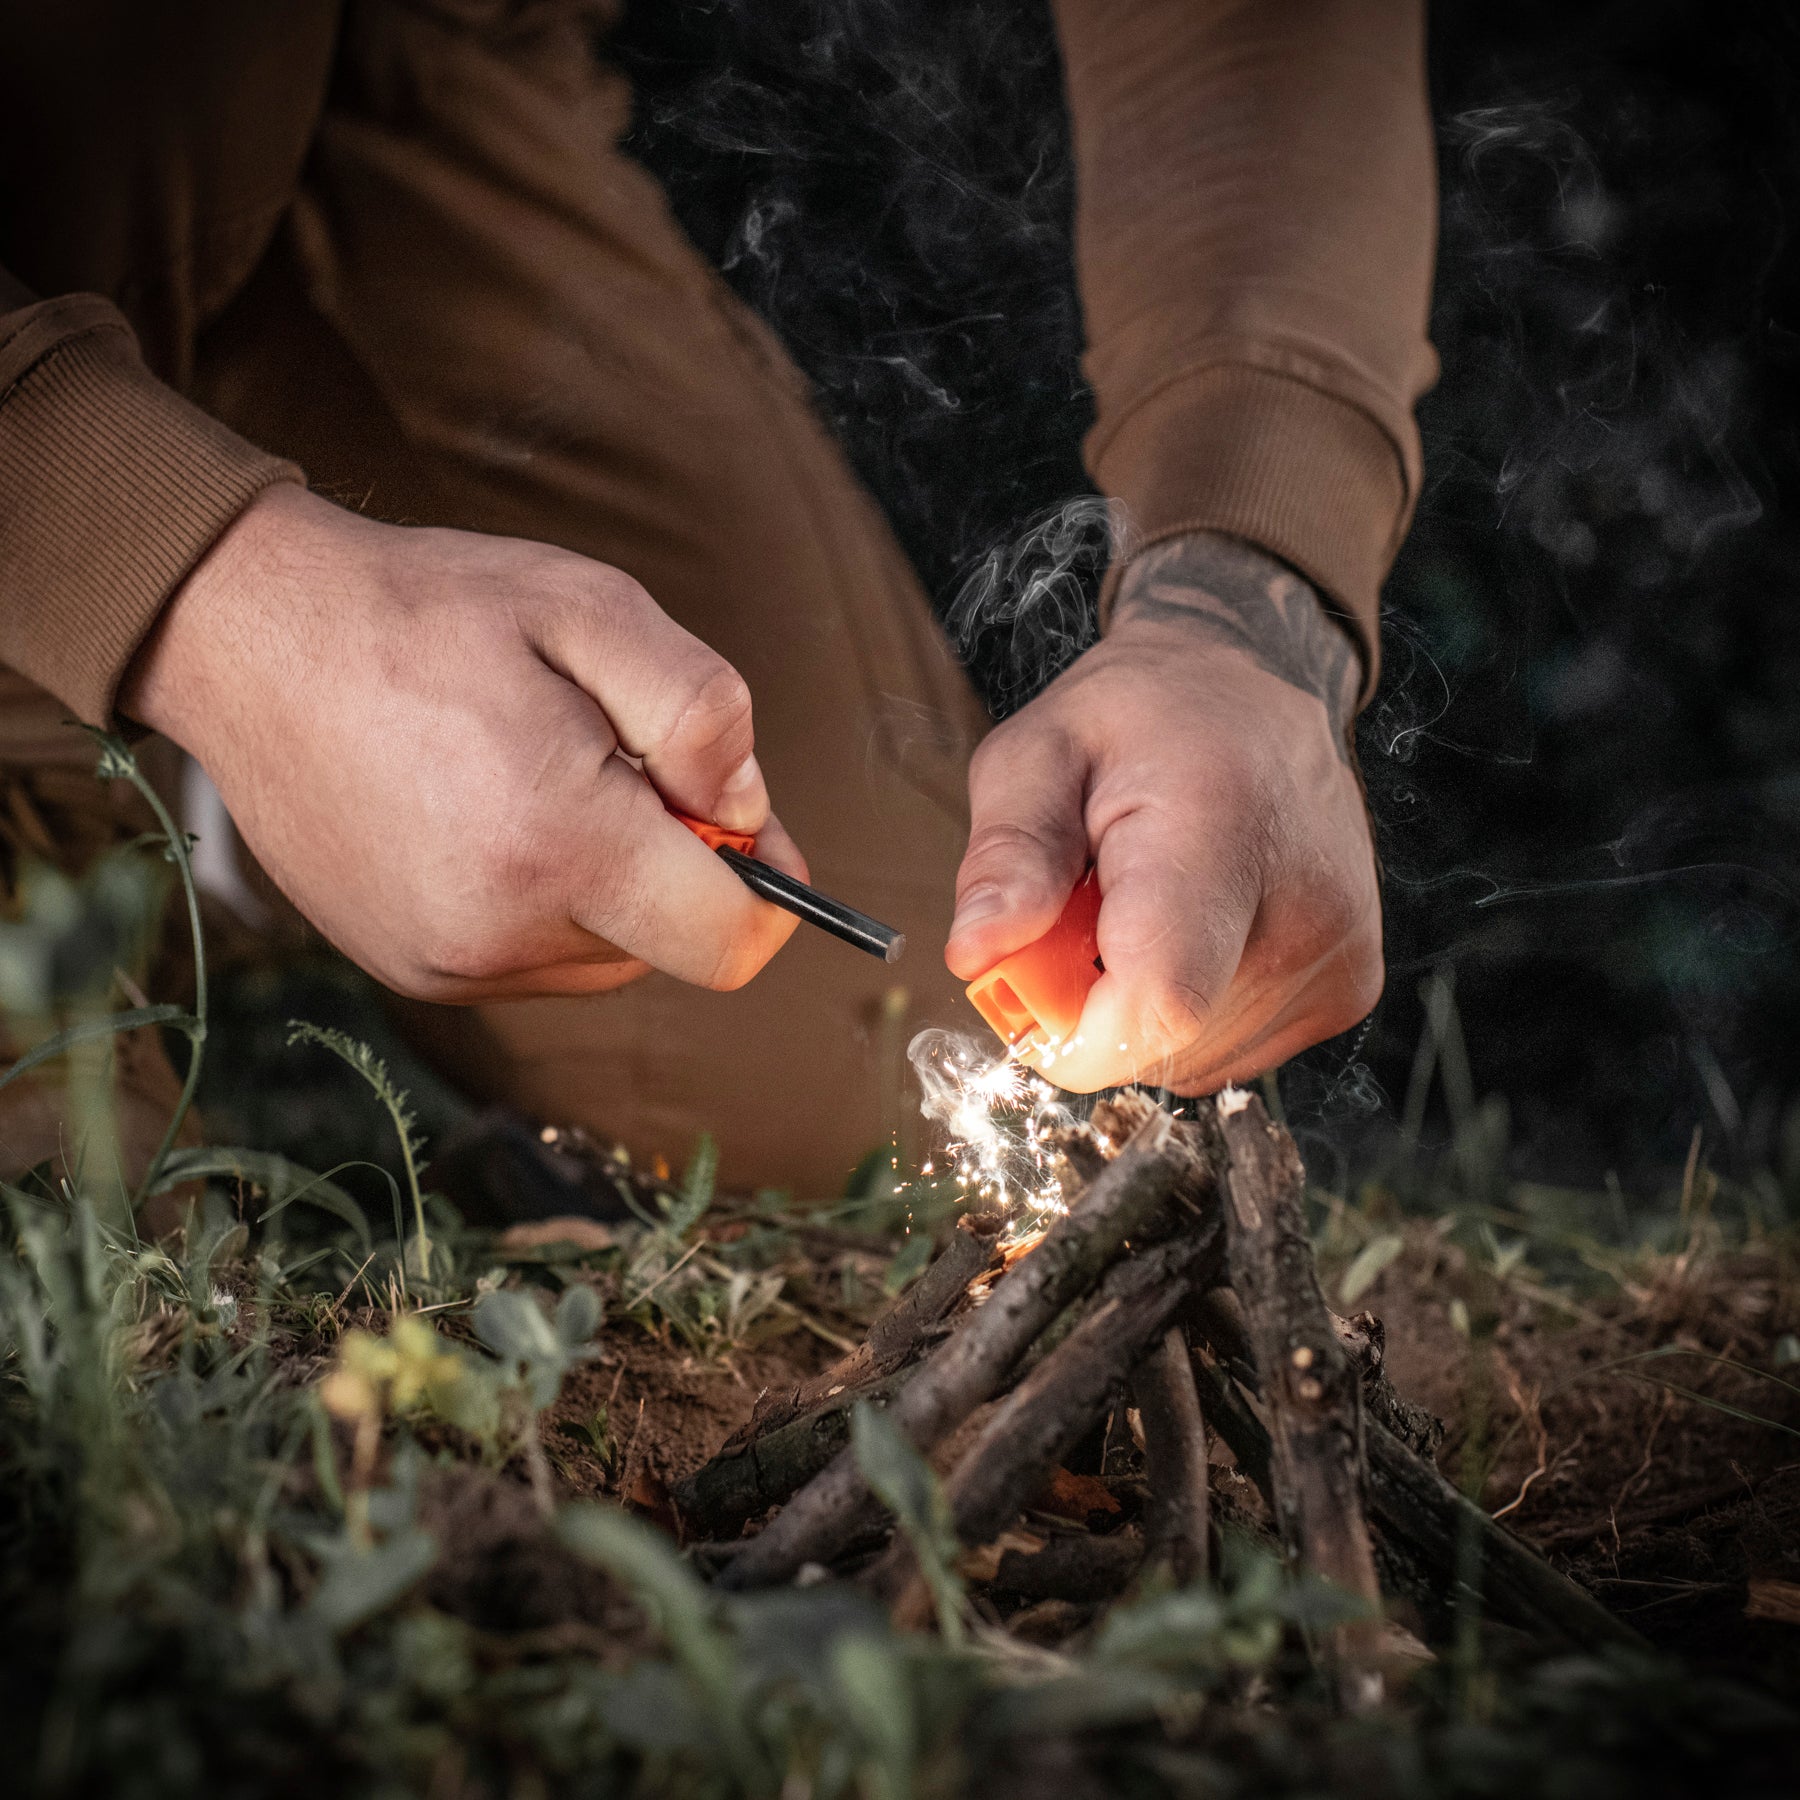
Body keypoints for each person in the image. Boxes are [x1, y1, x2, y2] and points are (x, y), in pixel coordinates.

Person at [0, 0, 1436, 1196]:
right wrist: (227, 611)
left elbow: (1258, 33)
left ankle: (242, 799)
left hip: (386, 78)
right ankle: (83, 745)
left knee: (837, 1053)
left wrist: (1235, 602)